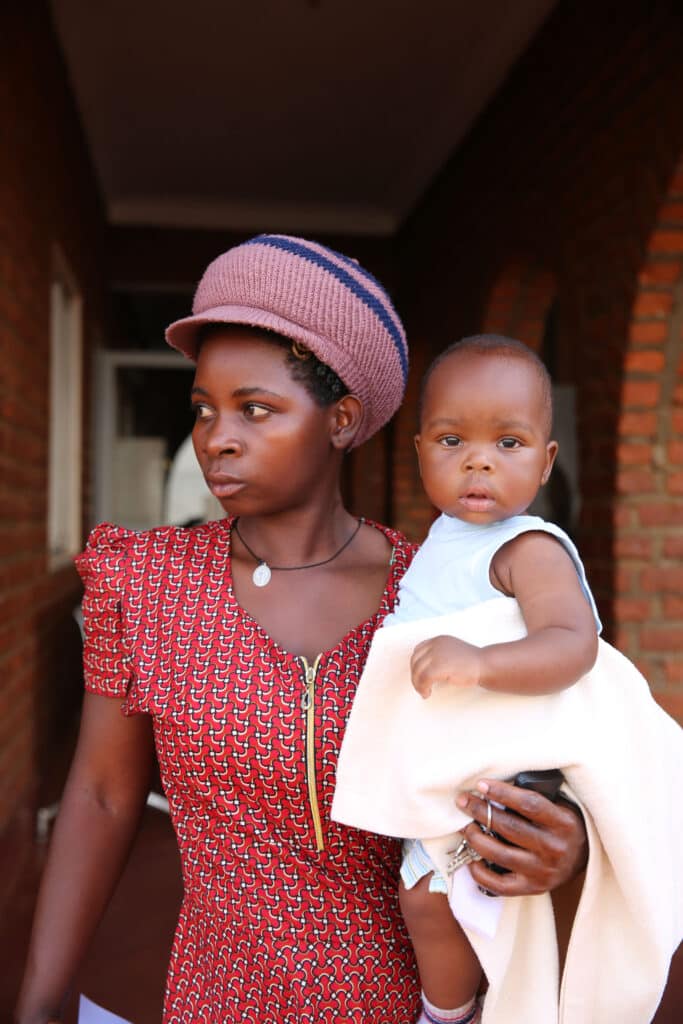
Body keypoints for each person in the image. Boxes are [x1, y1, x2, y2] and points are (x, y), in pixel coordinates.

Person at [16, 235, 589, 1024]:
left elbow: (535, 764)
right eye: (203, 409)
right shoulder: (144, 583)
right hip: (219, 996)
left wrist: (565, 850)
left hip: (414, 999)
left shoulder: (438, 596)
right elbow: (105, 795)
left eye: (255, 409)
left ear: (342, 420)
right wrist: (41, 1003)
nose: (216, 435)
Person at [379, 335, 602, 1024]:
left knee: (433, 896)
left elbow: (573, 643)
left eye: (508, 443)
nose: (477, 459)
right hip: (447, 756)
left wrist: (479, 663)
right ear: (418, 452)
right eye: (451, 440)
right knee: (430, 894)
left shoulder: (526, 547)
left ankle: (449, 1013)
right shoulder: (441, 543)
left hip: (495, 765)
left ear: (545, 460)